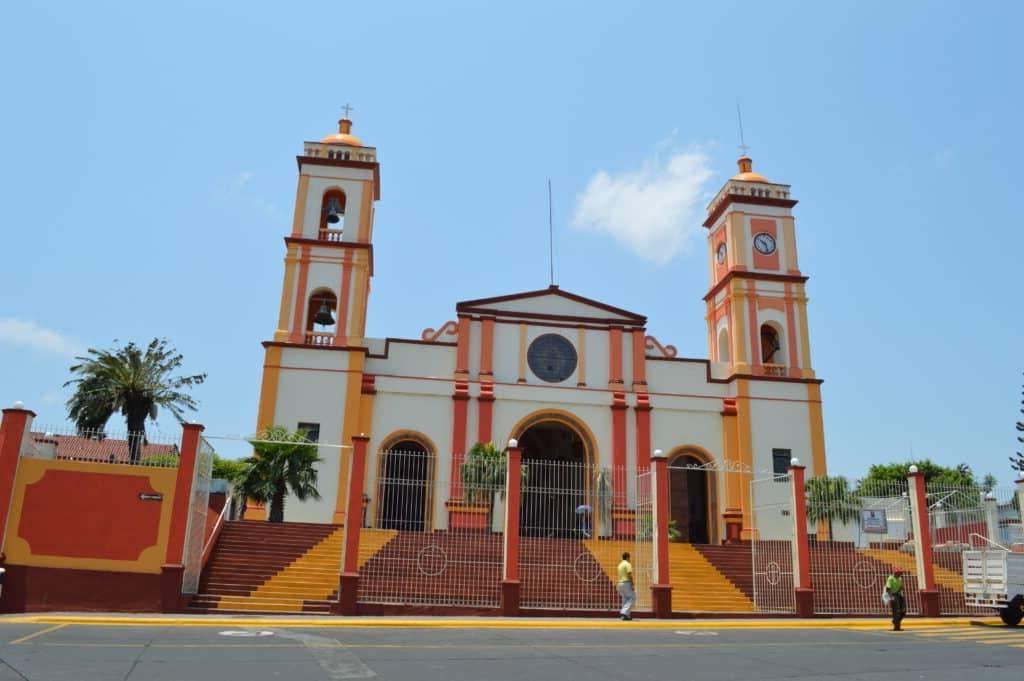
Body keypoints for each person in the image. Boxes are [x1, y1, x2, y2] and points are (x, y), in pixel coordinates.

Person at [617, 551, 635, 621]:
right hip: (626, 583)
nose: (630, 559)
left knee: (625, 599)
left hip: (620, 583)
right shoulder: (627, 564)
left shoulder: (620, 565)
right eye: (629, 557)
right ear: (627, 557)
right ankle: (624, 612)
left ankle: (626, 616)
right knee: (632, 598)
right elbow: (629, 574)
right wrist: (632, 584)